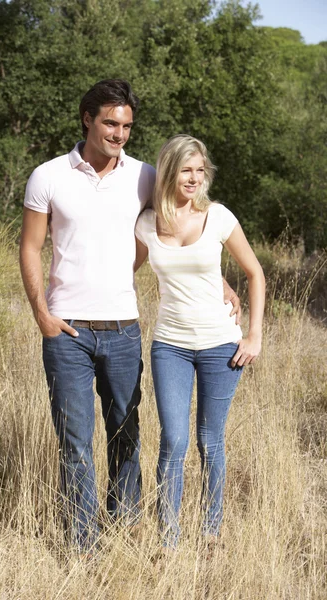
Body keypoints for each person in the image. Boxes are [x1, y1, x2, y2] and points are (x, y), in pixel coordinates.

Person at [19, 81, 240, 554]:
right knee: (75, 440)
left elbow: (180, 225)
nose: (119, 133)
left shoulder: (143, 176)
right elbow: (30, 247)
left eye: (126, 126)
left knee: (126, 431)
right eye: (110, 123)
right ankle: (85, 545)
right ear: (86, 118)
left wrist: (216, 277)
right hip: (66, 330)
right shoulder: (48, 176)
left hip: (123, 328)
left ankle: (125, 523)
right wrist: (42, 314)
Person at [134, 134, 265, 551]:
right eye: (186, 170)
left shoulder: (219, 216)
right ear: (170, 171)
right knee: (173, 441)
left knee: (210, 440)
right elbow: (120, 270)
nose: (194, 178)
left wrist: (255, 336)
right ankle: (167, 540)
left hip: (221, 346)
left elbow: (255, 274)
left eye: (200, 170)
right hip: (169, 343)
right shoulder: (146, 223)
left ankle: (211, 532)